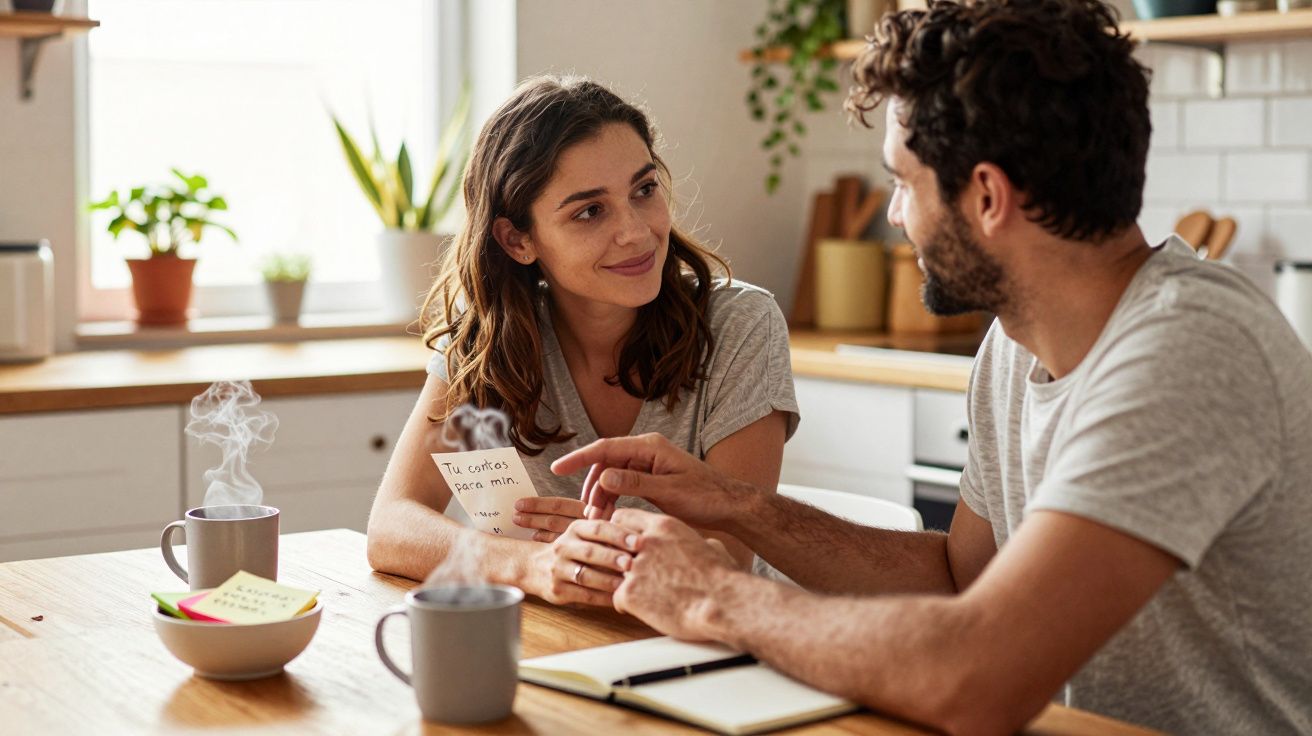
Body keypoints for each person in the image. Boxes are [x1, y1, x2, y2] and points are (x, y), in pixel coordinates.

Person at [548, 1, 1312, 733]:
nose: (893, 215)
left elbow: (976, 678)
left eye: (900, 182)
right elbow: (958, 575)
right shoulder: (1017, 342)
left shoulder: (1186, 352)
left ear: (986, 196)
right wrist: (739, 505)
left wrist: (715, 598)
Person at [366, 75, 799, 610]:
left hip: (716, 648)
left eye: (644, 190)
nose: (637, 232)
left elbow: (728, 559)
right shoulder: (484, 339)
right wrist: (532, 565)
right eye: (590, 211)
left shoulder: (740, 324)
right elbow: (390, 525)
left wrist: (593, 549)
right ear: (518, 240)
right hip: (560, 646)